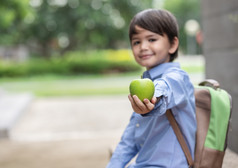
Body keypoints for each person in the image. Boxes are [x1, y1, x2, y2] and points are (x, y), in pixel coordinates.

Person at [107, 9, 196, 168]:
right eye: (136, 42)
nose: (143, 47)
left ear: (173, 44)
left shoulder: (178, 77)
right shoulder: (145, 83)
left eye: (152, 39)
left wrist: (153, 100)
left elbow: (166, 87)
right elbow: (129, 140)